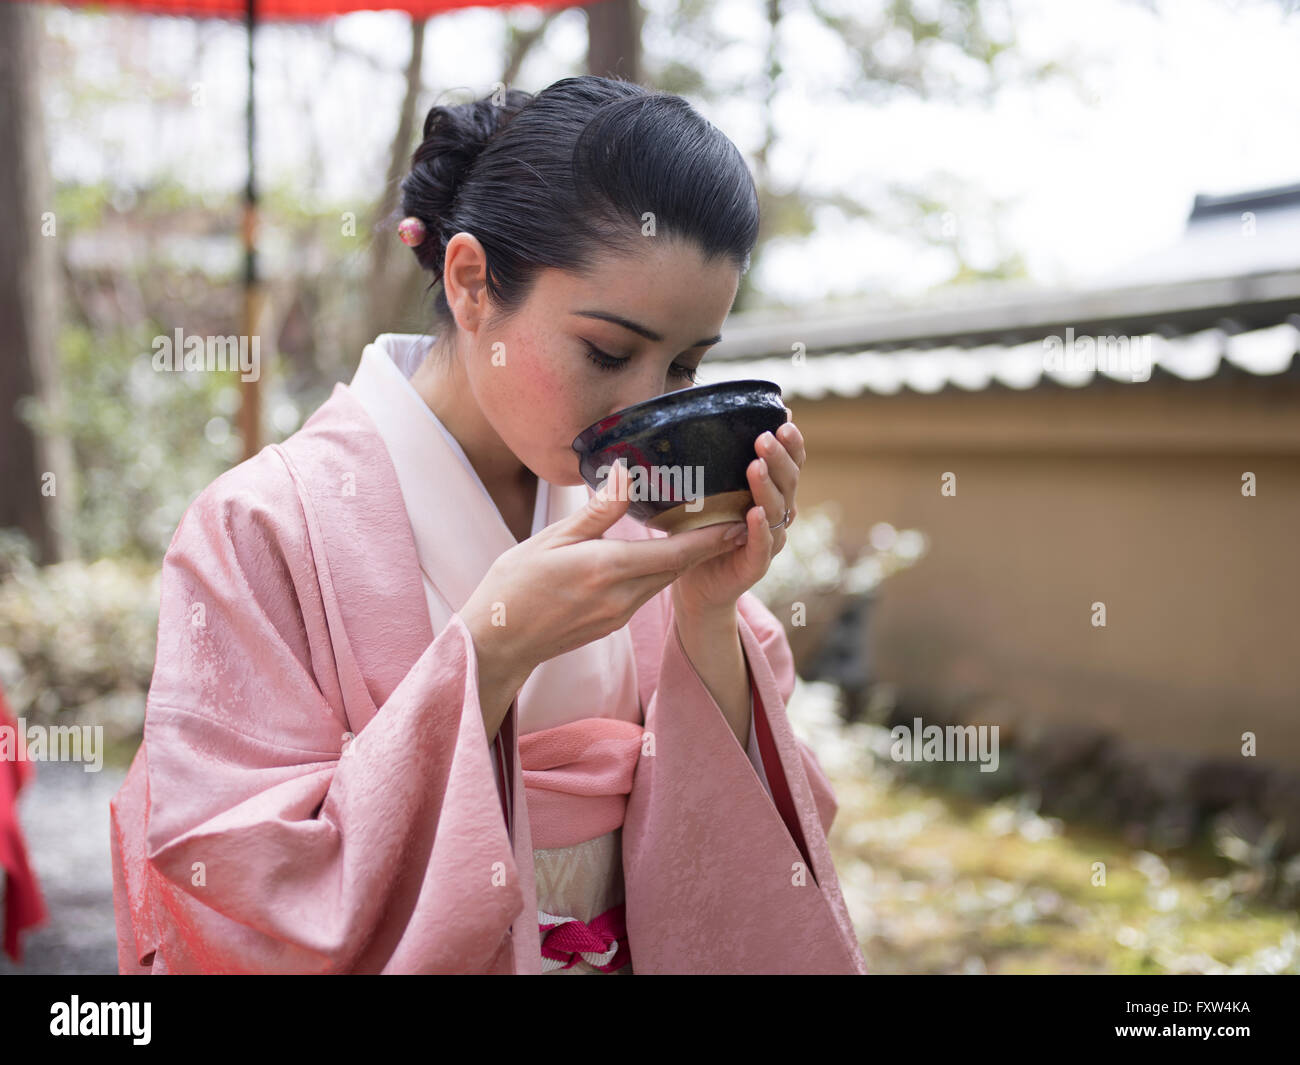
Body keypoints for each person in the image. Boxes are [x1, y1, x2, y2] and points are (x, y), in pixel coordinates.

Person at [109, 74, 867, 975]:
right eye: (608, 352)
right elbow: (233, 881)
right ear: (471, 282)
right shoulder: (262, 527)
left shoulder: (650, 522)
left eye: (682, 365)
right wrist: (489, 652)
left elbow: (757, 868)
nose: (642, 405)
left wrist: (707, 615)